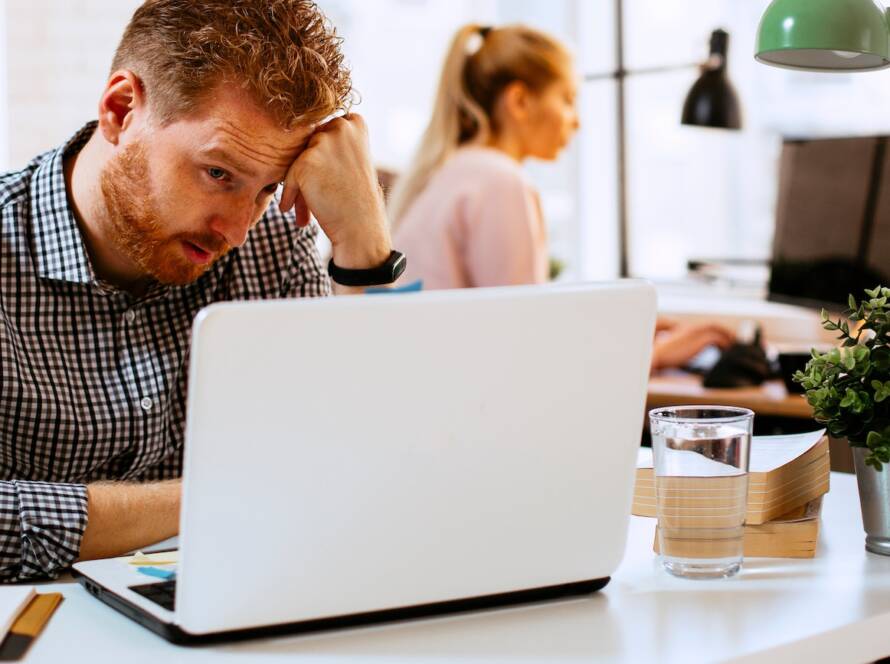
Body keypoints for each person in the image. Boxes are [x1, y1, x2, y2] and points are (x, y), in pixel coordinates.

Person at [0, 0, 398, 580]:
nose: (236, 229)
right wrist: (222, 496)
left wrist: (364, 246)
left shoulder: (273, 246)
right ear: (120, 110)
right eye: (219, 174)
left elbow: (369, 466)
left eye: (267, 190)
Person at [389, 23, 734, 368]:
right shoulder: (501, 181)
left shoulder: (454, 172)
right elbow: (527, 349)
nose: (577, 122)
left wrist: (623, 331)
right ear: (520, 101)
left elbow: (509, 325)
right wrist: (654, 356)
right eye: (568, 99)